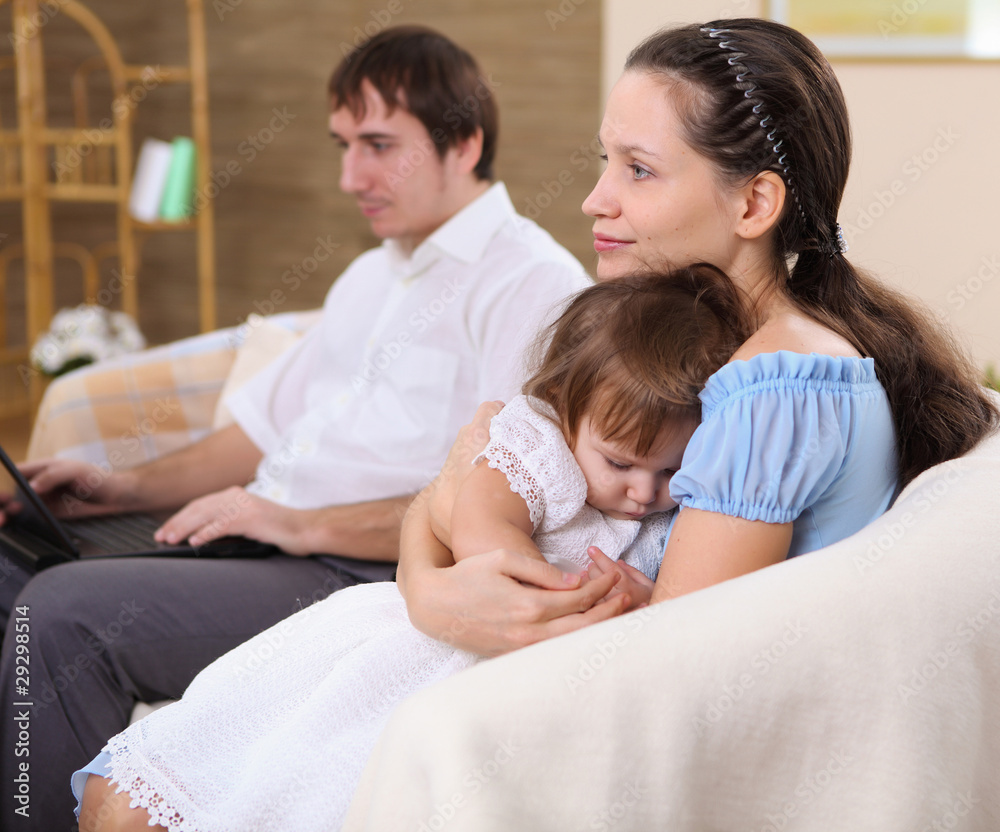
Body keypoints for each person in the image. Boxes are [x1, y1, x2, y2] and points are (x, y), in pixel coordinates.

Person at [0, 26, 590, 831]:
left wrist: (295, 522)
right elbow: (254, 434)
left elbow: (494, 512)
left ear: (466, 143)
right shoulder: (372, 273)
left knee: (63, 614)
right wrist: (116, 488)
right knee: (9, 565)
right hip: (267, 540)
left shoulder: (531, 286)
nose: (351, 176)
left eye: (379, 145)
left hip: (355, 574)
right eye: (344, 145)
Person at [396, 18, 998, 655]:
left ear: (753, 205)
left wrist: (434, 582)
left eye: (640, 170)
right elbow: (494, 472)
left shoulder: (777, 386)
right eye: (608, 162)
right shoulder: (691, 353)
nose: (596, 200)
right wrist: (426, 587)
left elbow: (665, 667)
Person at [75, 265, 751, 831]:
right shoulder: (542, 447)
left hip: (517, 686)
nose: (643, 491)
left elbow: (683, 599)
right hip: (428, 643)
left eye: (669, 472)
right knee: (289, 750)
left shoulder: (676, 511)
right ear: (567, 410)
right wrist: (512, 571)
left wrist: (640, 599)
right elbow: (485, 509)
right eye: (623, 464)